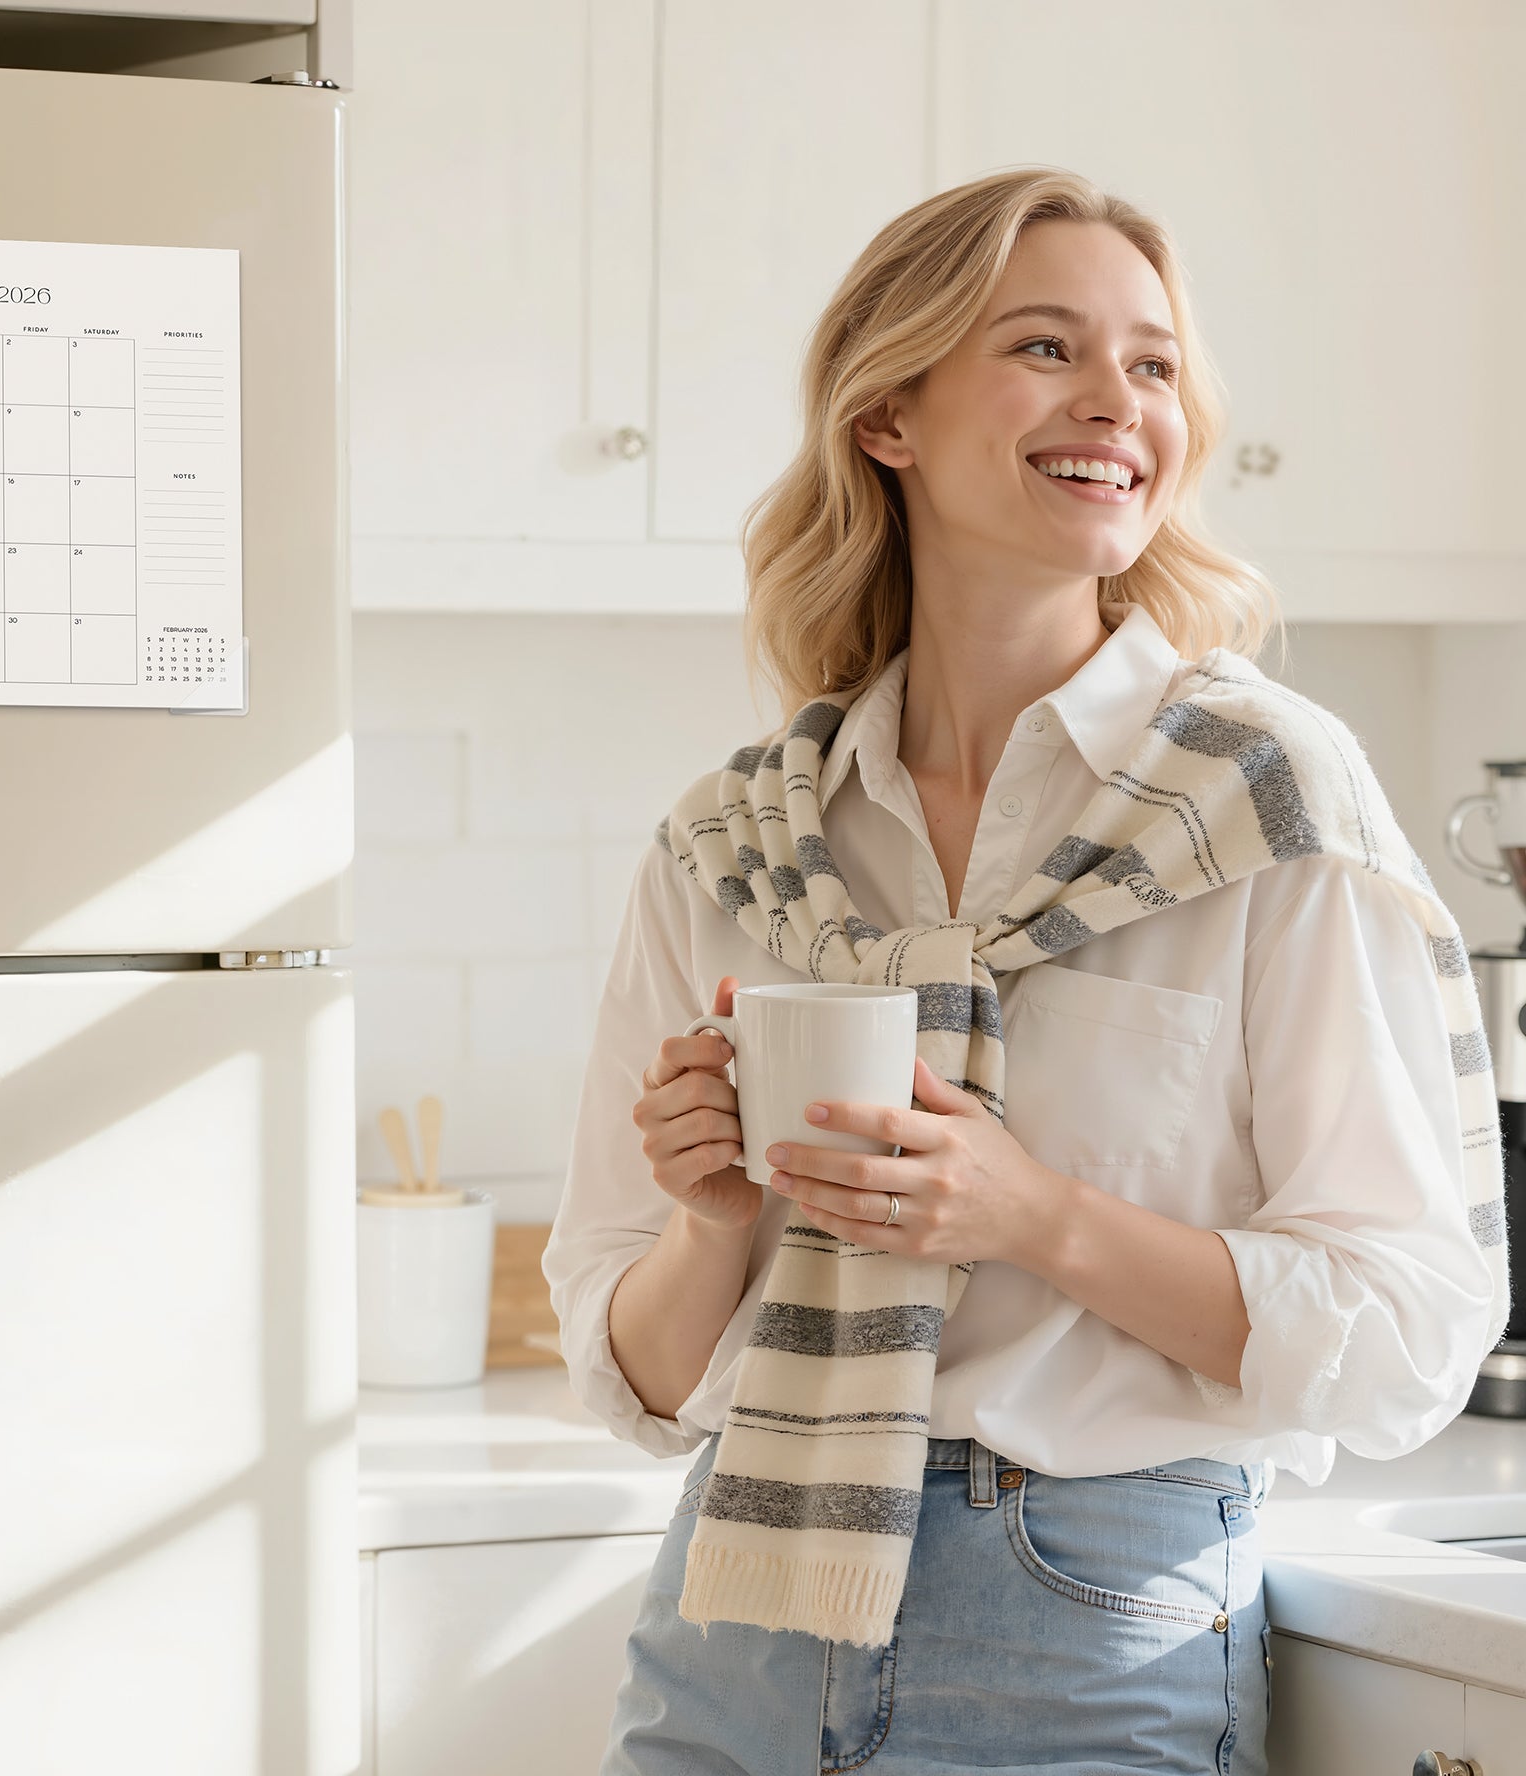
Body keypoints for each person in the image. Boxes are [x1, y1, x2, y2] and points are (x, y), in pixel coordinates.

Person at [542, 167, 1504, 1775]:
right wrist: (716, 1228)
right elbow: (634, 1374)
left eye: (1153, 363)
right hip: (735, 1621)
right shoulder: (738, 845)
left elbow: (1408, 1326)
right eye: (1048, 347)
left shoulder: (1259, 802)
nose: (1119, 403)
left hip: (1088, 1611)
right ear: (889, 415)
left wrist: (1030, 1215)